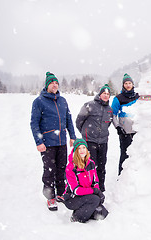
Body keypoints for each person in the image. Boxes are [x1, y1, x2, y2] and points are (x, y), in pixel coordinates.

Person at [30, 71, 76, 211]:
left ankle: (61, 193)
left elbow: (68, 119)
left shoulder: (62, 101)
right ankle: (50, 197)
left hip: (62, 141)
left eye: (56, 83)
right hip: (47, 143)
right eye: (52, 83)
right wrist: (39, 142)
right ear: (47, 85)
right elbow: (34, 123)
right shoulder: (39, 101)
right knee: (50, 170)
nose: (55, 85)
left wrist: (72, 136)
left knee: (62, 168)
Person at [76, 84, 113, 192]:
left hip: (103, 141)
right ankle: (90, 187)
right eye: (104, 93)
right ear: (100, 94)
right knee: (90, 165)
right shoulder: (89, 105)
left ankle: (100, 187)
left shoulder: (109, 109)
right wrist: (86, 133)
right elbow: (79, 121)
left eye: (108, 94)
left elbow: (108, 124)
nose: (106, 96)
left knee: (102, 165)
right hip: (89, 141)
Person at [63, 139, 108, 223]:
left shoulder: (91, 163)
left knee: (102, 214)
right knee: (94, 200)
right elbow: (76, 190)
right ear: (75, 151)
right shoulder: (71, 167)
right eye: (79, 148)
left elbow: (95, 182)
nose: (82, 150)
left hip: (87, 195)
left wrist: (97, 191)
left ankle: (85, 210)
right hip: (73, 198)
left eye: (84, 148)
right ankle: (77, 217)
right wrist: (93, 191)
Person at [111, 73, 139, 175]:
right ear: (123, 85)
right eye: (126, 83)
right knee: (125, 155)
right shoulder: (118, 98)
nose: (128, 85)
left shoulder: (137, 96)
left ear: (132, 84)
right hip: (125, 132)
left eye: (129, 83)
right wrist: (118, 127)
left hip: (137, 131)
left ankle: (135, 175)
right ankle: (122, 176)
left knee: (137, 155)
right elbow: (113, 114)